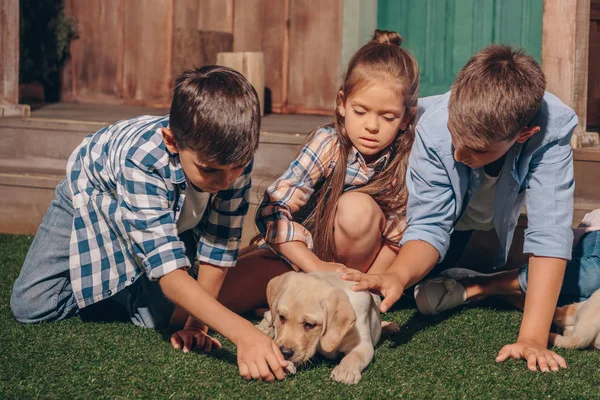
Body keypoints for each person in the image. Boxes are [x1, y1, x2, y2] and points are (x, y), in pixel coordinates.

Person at [10, 66, 288, 382]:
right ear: (172, 142)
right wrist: (243, 334)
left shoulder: (232, 158)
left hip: (172, 213)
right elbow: (170, 278)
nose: (225, 182)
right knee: (30, 306)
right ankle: (132, 275)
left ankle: (139, 273)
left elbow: (220, 244)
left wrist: (197, 324)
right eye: (210, 170)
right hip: (88, 196)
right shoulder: (141, 162)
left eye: (236, 168)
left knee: (163, 316)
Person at [171, 29, 420, 348]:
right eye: (361, 111)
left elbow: (396, 238)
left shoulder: (405, 161)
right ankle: (279, 297)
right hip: (294, 261)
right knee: (185, 312)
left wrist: (368, 292)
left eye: (387, 117)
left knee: (358, 210)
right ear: (342, 104)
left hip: (348, 274)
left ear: (405, 118)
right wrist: (314, 267)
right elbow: (273, 210)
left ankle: (335, 303)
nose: (371, 126)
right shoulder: (327, 144)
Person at [339, 44, 578, 372]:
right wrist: (396, 274)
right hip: (431, 242)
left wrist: (533, 338)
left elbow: (550, 233)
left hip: (479, 238)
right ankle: (469, 283)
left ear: (525, 134)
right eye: (455, 138)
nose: (458, 155)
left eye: (477, 150)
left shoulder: (553, 130)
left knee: (588, 272)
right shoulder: (434, 125)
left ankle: (479, 285)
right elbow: (430, 224)